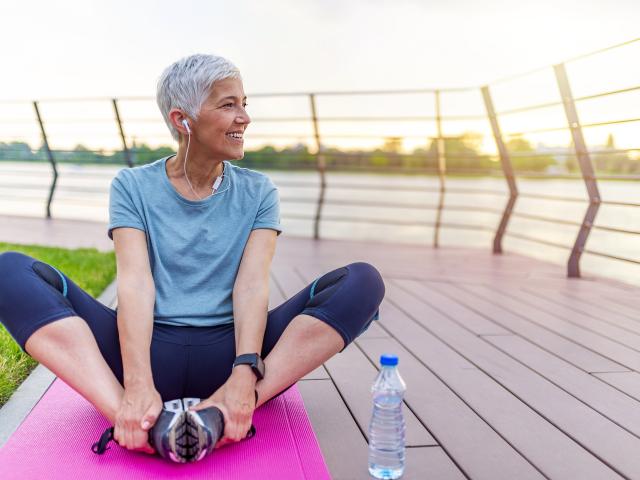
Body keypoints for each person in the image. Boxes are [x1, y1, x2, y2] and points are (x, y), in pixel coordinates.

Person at [0, 53, 385, 463]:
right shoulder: (132, 185)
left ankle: (227, 408)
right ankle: (134, 420)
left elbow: (252, 284)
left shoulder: (259, 192)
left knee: (363, 281)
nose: (244, 118)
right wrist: (137, 383)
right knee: (9, 271)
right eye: (228, 104)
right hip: (144, 350)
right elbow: (135, 283)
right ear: (183, 120)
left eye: (244, 104)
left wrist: (244, 374)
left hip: (231, 353)